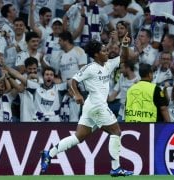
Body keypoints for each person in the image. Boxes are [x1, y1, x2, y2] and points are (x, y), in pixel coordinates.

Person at [40, 38, 134, 176]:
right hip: (97, 106)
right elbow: (73, 81)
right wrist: (76, 95)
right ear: (96, 55)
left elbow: (125, 57)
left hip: (91, 106)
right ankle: (116, 168)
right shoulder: (90, 68)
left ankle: (50, 153)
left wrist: (125, 45)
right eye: (103, 51)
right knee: (116, 132)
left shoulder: (108, 64)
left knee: (79, 137)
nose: (106, 52)